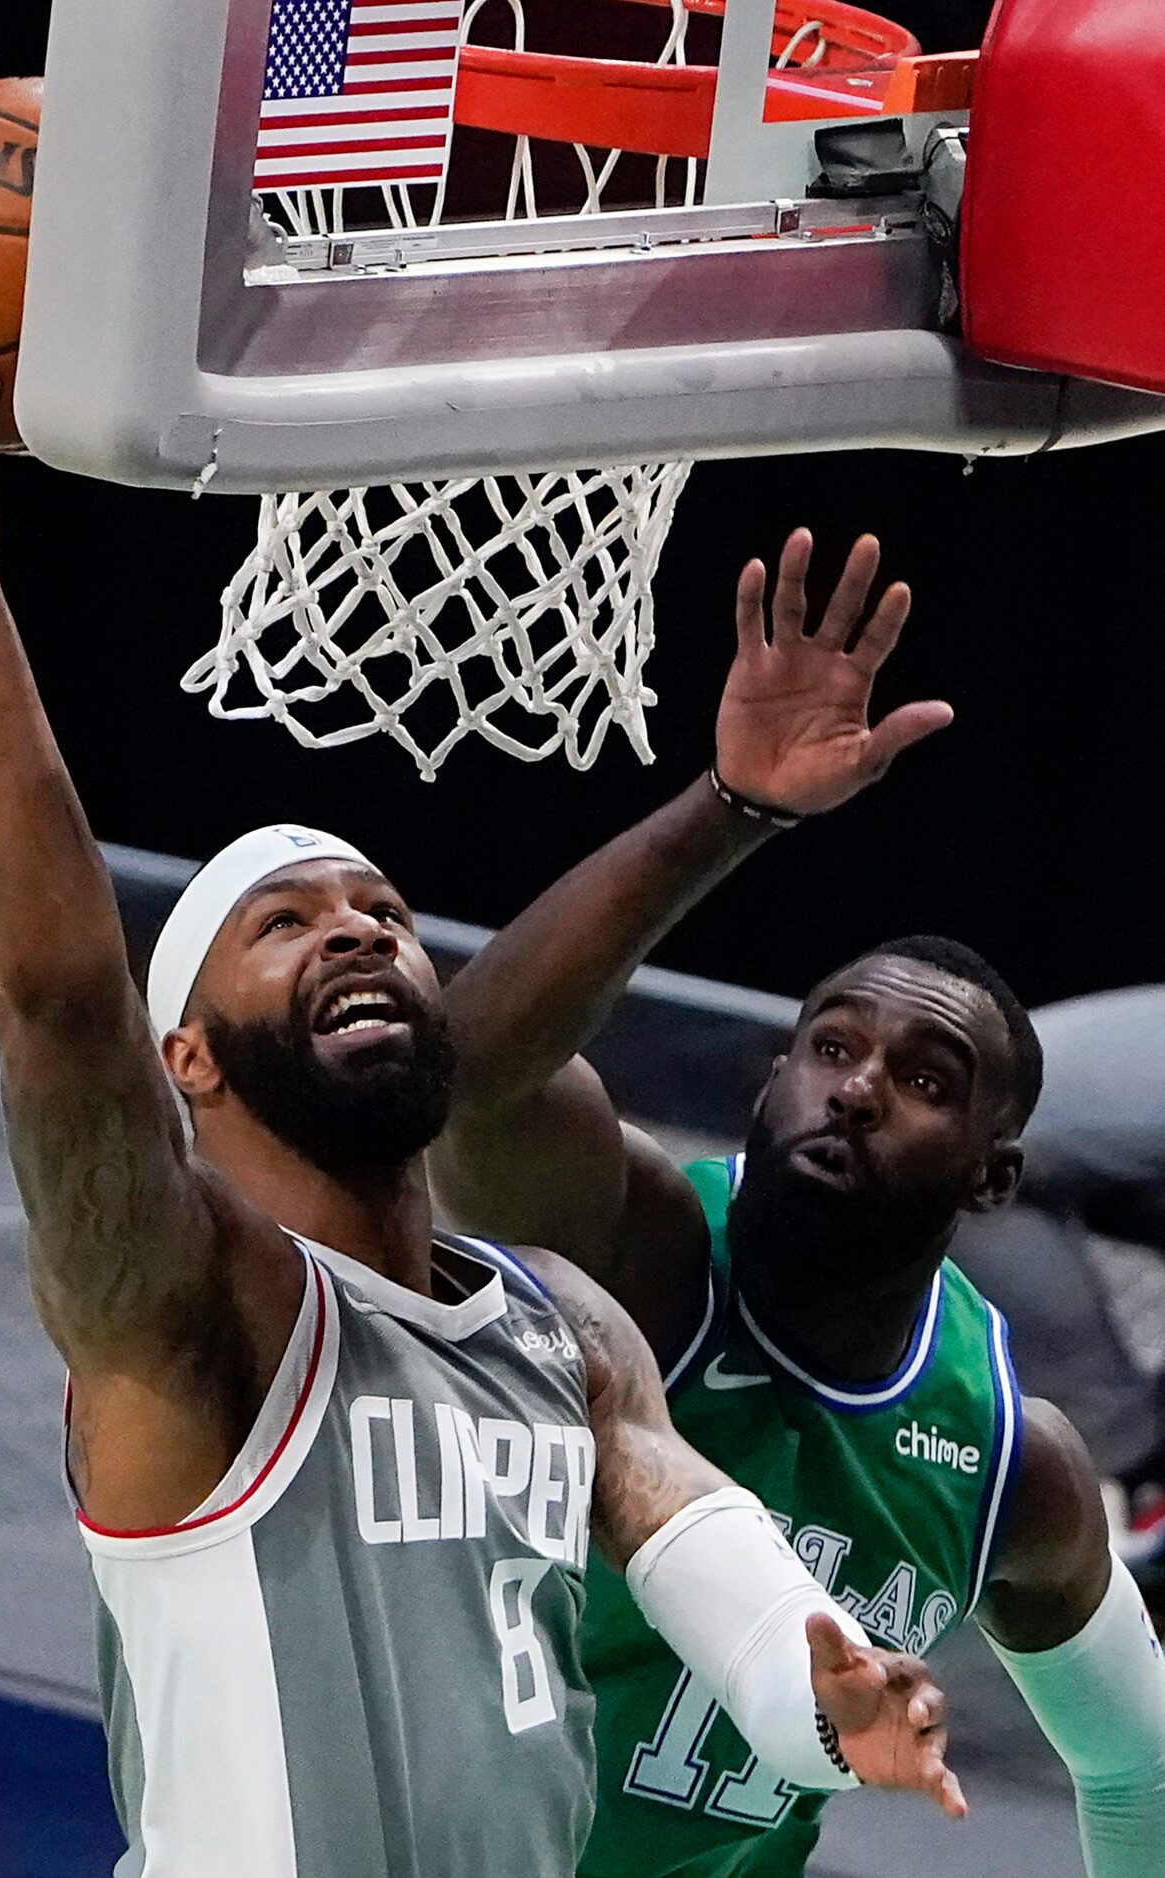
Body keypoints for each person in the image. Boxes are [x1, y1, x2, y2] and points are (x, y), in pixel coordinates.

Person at [0, 272, 965, 1876]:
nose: (358, 931)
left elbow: (696, 1539)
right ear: (191, 1055)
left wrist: (819, 1681)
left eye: (380, 909)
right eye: (283, 926)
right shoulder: (192, 1306)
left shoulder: (557, 1318)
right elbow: (59, 1007)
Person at [432, 530, 1165, 1878]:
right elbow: (468, 1077)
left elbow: (1135, 1761)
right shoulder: (634, 1245)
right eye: (831, 1046)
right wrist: (732, 805)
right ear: (774, 1080)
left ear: (993, 1173)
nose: (859, 1086)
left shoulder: (1013, 1456)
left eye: (925, 1076)